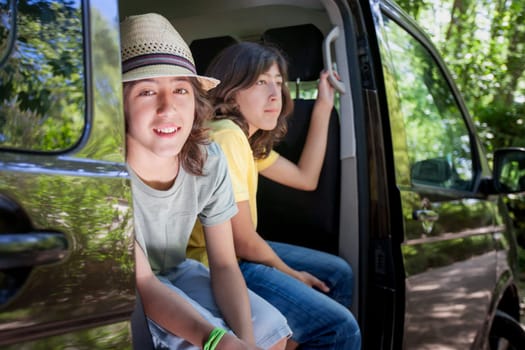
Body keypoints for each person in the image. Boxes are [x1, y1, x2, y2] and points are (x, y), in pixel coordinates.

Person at [121, 13, 291, 350]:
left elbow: (225, 263)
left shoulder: (208, 158)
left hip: (178, 269)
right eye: (146, 92)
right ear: (119, 105)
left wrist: (245, 341)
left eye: (181, 89)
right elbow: (144, 283)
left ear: (196, 101)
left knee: (275, 333)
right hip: (131, 286)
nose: (168, 107)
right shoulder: (108, 177)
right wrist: (217, 340)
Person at [187, 42, 361, 349]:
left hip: (235, 252)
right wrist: (291, 274)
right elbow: (241, 239)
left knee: (338, 272)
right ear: (230, 90)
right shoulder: (226, 136)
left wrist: (323, 106)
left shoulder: (245, 139)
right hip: (214, 263)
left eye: (279, 84)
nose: (275, 95)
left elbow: (306, 178)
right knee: (340, 329)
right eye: (260, 82)